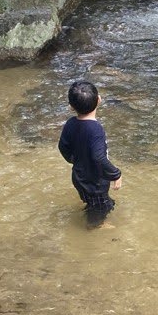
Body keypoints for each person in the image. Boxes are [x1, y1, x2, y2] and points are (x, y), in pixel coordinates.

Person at [57, 80, 123, 227]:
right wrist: (116, 174)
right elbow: (98, 157)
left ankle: (91, 209)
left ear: (71, 106)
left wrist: (73, 159)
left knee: (93, 201)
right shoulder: (96, 130)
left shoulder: (70, 123)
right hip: (95, 182)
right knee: (103, 207)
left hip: (79, 176)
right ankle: (95, 225)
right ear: (99, 100)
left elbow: (62, 146)